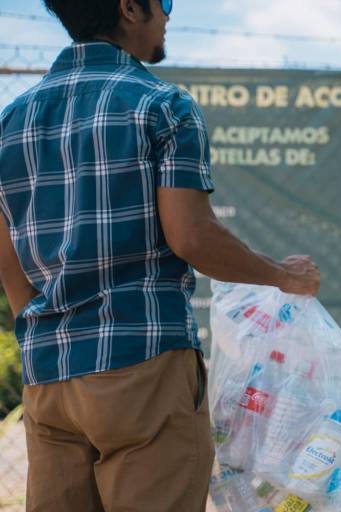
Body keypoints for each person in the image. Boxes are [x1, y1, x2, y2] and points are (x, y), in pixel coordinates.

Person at [0, 0, 321, 510]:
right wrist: (283, 275)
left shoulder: (11, 120)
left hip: (50, 378)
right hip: (141, 365)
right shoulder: (161, 105)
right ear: (130, 7)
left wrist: (37, 328)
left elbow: (8, 254)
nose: (170, 14)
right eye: (165, 3)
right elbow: (191, 238)